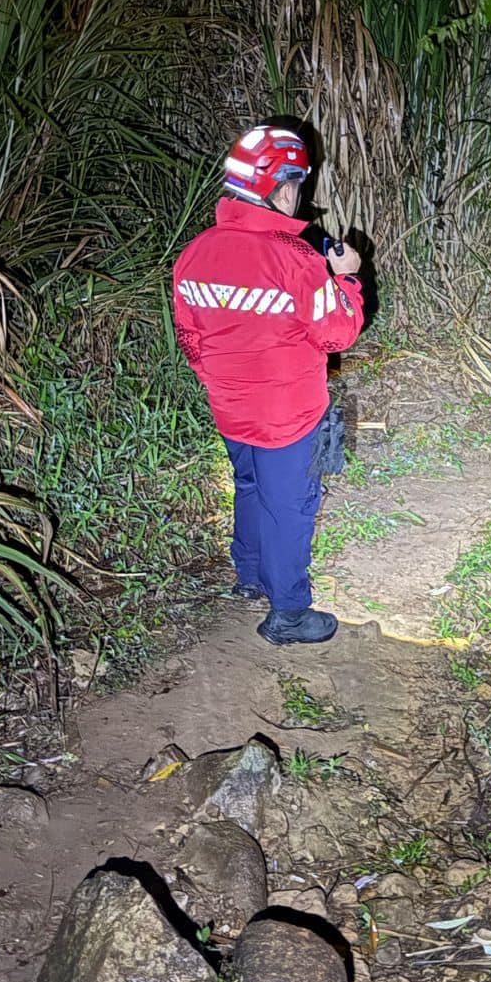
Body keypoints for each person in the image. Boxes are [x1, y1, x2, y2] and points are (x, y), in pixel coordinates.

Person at [172, 124, 365, 645]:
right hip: (288, 415)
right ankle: (288, 613)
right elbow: (337, 332)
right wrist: (347, 278)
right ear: (281, 189)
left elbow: (190, 338)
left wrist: (222, 381)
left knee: (250, 485)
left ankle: (250, 574)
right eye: (297, 185)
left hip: (229, 407)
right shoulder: (296, 259)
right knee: (289, 506)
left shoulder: (194, 254)